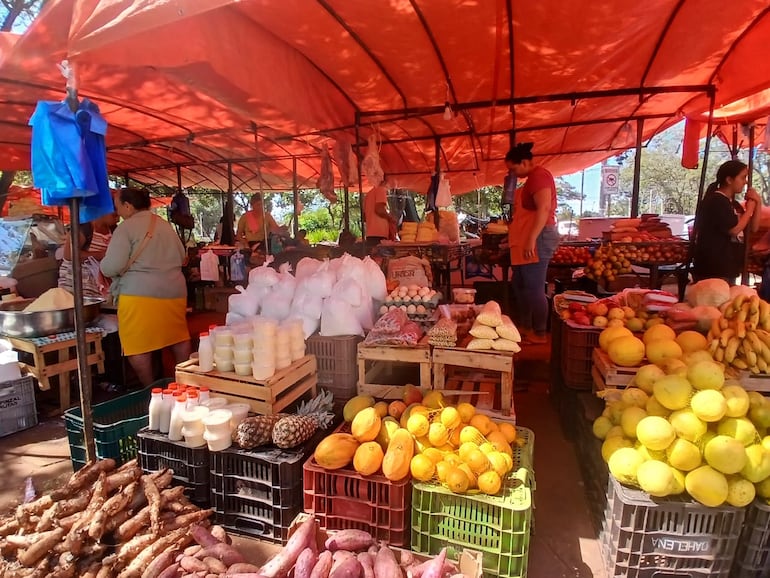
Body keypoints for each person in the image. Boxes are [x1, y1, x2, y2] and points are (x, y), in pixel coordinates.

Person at [101, 187, 191, 386]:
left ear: (128, 206)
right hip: (174, 291)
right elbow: (182, 257)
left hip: (139, 294)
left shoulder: (126, 228)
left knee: (138, 345)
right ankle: (186, 385)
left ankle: (150, 390)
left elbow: (112, 266)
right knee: (177, 337)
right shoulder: (164, 225)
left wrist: (102, 265)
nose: (117, 212)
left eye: (118, 207)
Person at [505, 142, 560, 344]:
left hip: (539, 237)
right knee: (520, 284)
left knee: (534, 287)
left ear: (526, 162)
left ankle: (539, 332)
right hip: (530, 238)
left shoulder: (539, 176)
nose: (513, 173)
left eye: (514, 168)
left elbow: (544, 209)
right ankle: (526, 327)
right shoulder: (530, 179)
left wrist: (530, 240)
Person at [692, 160, 761, 284]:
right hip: (714, 267)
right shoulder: (716, 201)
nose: (745, 181)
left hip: (729, 265)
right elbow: (734, 230)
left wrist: (758, 202)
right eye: (742, 177)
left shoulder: (733, 204)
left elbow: (754, 228)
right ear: (729, 180)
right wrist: (749, 210)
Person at [58, 211, 117, 299]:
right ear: (104, 210)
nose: (118, 218)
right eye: (114, 215)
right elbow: (70, 255)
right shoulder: (84, 228)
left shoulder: (113, 230)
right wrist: (101, 254)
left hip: (96, 285)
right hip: (75, 284)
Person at [364, 177, 396, 245]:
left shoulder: (369, 194)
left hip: (370, 233)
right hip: (379, 233)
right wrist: (390, 218)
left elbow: (364, 216)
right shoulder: (380, 189)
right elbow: (379, 209)